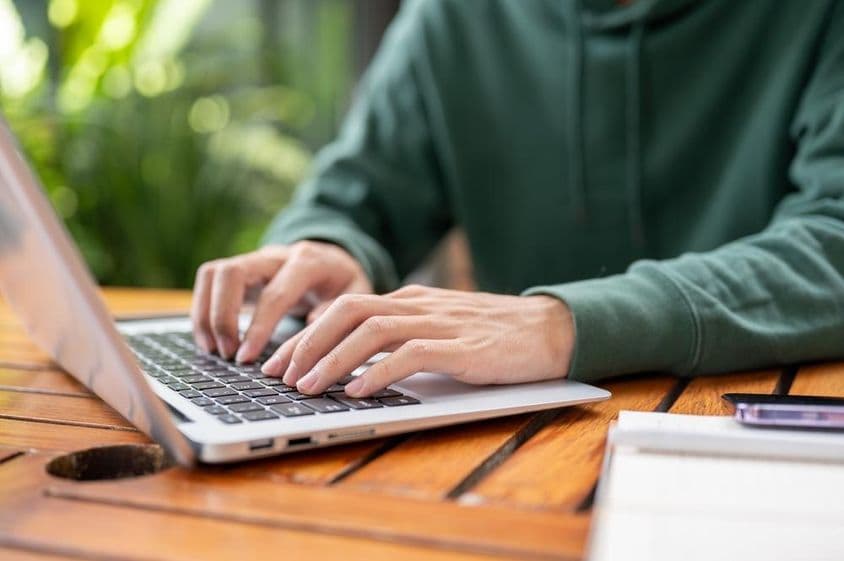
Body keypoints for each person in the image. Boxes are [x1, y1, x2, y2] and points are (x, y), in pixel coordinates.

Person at [191, 0, 844, 398]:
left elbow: (834, 243)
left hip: (766, 424)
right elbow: (357, 191)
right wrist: (330, 246)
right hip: (523, 436)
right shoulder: (453, 15)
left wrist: (566, 323)